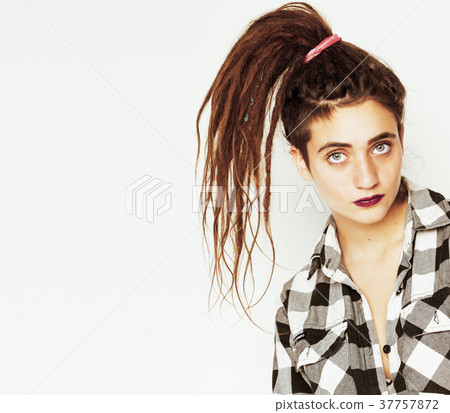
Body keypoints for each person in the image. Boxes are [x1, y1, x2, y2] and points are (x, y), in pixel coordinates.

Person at [195, 2, 450, 395]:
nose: (366, 177)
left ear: (400, 134)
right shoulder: (298, 305)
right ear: (301, 161)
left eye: (380, 146)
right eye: (336, 155)